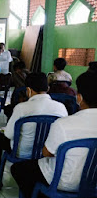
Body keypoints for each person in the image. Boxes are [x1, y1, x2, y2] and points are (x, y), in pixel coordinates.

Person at [11, 69, 97, 198]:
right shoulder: (61, 111)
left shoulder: (64, 124)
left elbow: (47, 153)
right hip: (94, 184)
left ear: (79, 97)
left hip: (63, 182)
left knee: (19, 169)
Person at [0, 73, 68, 189]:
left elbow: (9, 134)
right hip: (47, 152)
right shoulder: (61, 107)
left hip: (23, 152)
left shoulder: (22, 108)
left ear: (28, 90)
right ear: (48, 88)